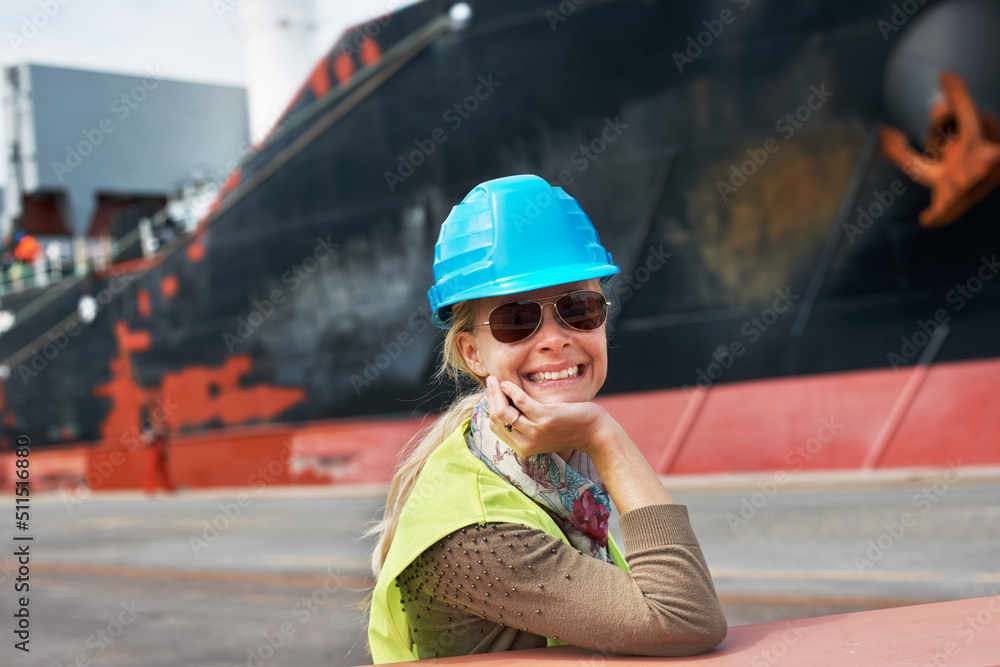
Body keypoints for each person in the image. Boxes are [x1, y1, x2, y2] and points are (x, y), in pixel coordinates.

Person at [367, 175, 727, 662]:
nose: (555, 339)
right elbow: (687, 618)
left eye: (579, 309)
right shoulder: (476, 534)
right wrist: (606, 436)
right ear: (473, 353)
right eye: (516, 319)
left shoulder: (552, 474)